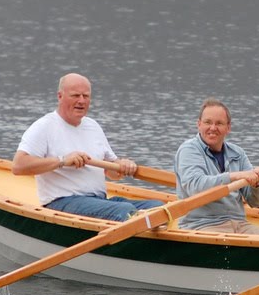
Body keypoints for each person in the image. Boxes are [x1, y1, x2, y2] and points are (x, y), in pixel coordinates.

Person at [12, 72, 162, 222]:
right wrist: (62, 160)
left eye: (86, 96)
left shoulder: (93, 126)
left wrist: (123, 165)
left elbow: (112, 173)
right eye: (75, 95)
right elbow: (18, 166)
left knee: (158, 207)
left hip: (99, 201)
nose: (81, 101)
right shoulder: (44, 126)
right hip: (63, 202)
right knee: (125, 211)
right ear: (60, 96)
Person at [173, 98, 259, 233]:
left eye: (219, 123)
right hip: (202, 225)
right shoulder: (188, 150)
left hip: (240, 224)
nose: (213, 128)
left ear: (228, 128)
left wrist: (258, 181)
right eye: (208, 122)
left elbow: (256, 202)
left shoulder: (237, 153)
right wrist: (234, 176)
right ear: (199, 124)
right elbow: (195, 187)